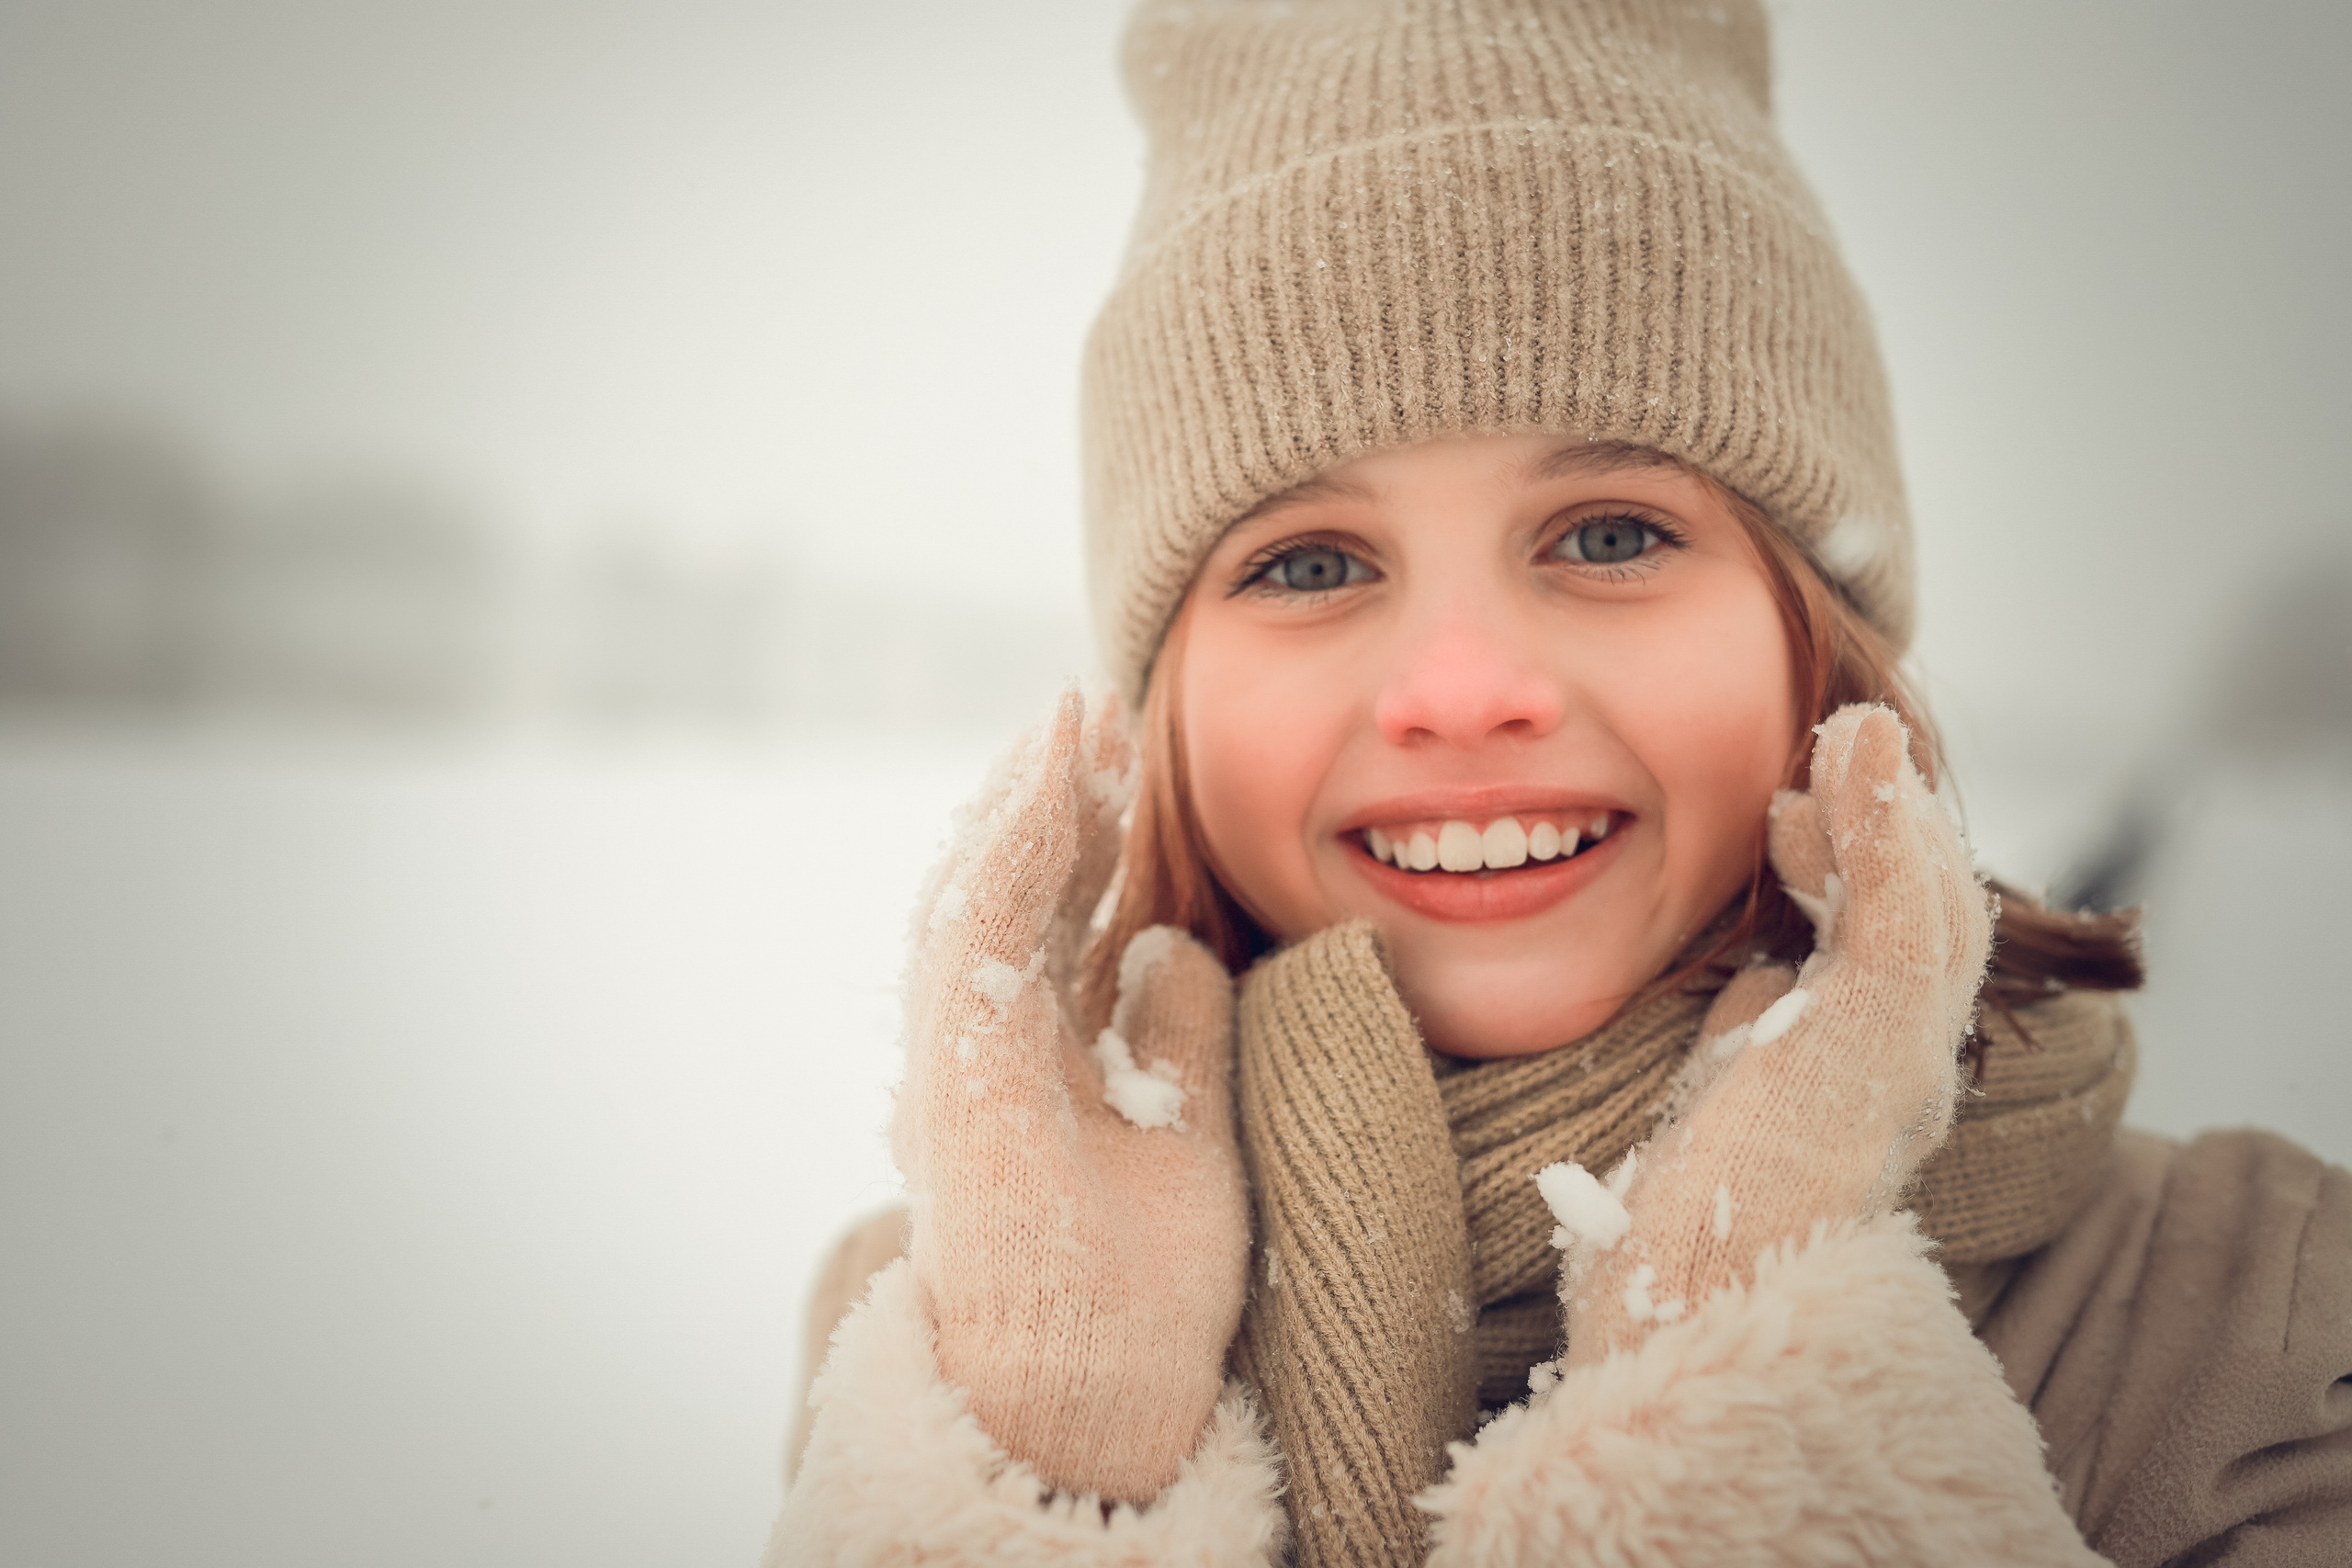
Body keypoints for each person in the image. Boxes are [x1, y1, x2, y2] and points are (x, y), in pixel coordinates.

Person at [766, 2, 2352, 1562]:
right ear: (1165, 699)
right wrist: (1058, 1485)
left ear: (1819, 644)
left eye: (1608, 534)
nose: (1463, 691)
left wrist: (1750, 1433)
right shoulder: (939, 1340)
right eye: (1311, 560)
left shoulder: (2266, 1331)